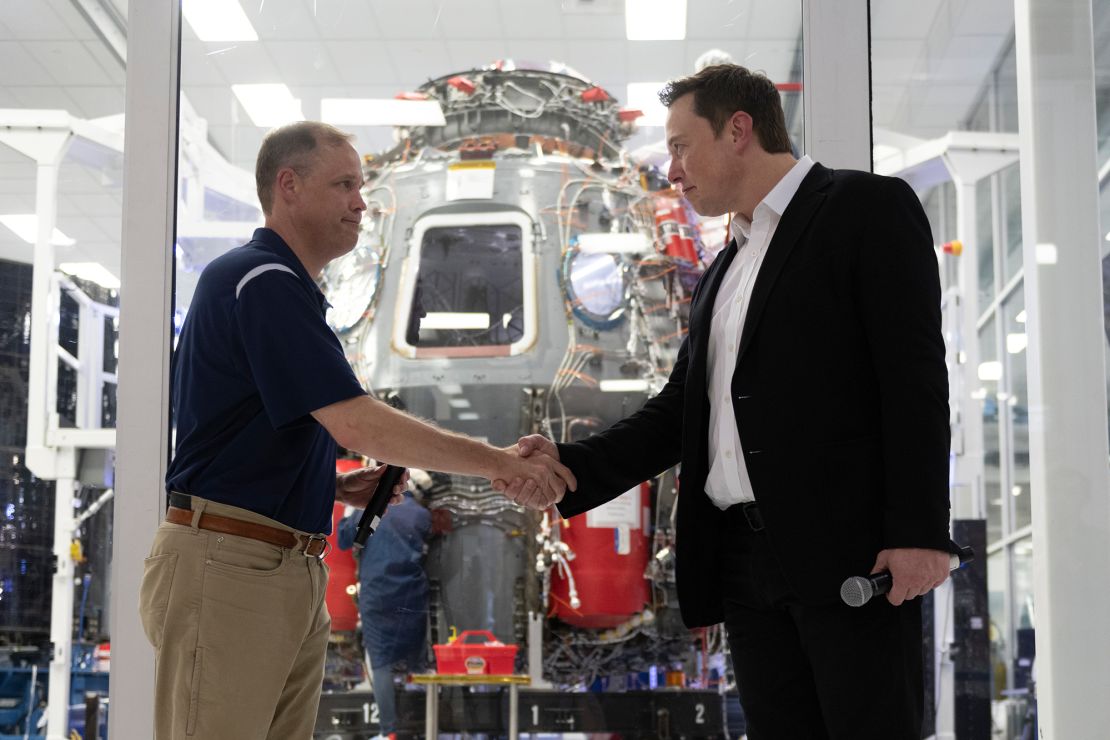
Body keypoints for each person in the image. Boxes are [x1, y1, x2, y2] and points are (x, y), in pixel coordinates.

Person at [503, 64, 952, 739]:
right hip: (745, 564)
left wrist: (919, 532)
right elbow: (680, 411)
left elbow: (913, 378)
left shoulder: (865, 209)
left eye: (682, 146)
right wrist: (570, 466)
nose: (672, 169)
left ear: (738, 130)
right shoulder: (724, 270)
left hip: (848, 556)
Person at [138, 121, 575, 740]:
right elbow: (354, 419)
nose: (360, 202)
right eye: (344, 184)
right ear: (288, 186)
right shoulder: (262, 282)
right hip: (232, 568)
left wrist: (331, 487)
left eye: (361, 186)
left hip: (279, 566)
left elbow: (248, 433)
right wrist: (500, 462)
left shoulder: (289, 292)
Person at [336, 489, 437, 739]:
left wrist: (350, 511)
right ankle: (427, 725)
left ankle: (389, 732)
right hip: (411, 595)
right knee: (417, 661)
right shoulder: (422, 514)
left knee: (380, 663)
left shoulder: (374, 511)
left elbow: (344, 539)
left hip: (378, 594)